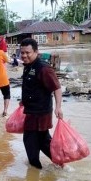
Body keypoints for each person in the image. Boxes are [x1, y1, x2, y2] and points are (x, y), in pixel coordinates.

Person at [20, 38, 63, 169]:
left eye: (28, 53)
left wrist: (58, 107)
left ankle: (35, 172)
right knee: (43, 141)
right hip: (32, 112)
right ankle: (60, 164)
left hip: (40, 113)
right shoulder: (28, 67)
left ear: (36, 52)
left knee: (31, 142)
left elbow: (57, 88)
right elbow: (32, 87)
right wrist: (24, 101)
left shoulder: (43, 69)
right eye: (22, 53)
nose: (24, 56)